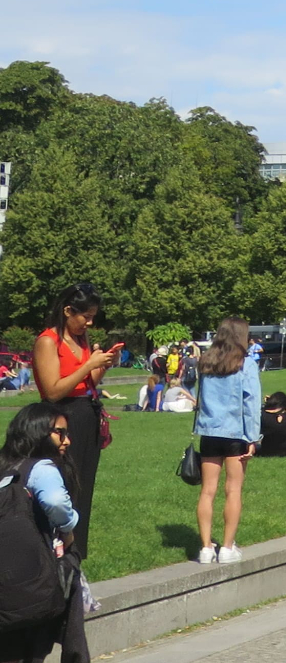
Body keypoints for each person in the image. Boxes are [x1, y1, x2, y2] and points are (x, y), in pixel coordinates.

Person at [31, 282, 117, 563]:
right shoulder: (48, 341)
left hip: (84, 417)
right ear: (68, 310)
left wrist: (101, 366)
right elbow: (53, 391)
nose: (89, 322)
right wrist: (88, 365)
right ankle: (51, 552)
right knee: (62, 487)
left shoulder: (81, 341)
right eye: (86, 316)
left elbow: (84, 384)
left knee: (82, 489)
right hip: (60, 420)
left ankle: (75, 554)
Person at [0, 401, 89, 663]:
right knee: (36, 645)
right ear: (38, 433)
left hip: (6, 578)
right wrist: (68, 527)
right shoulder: (41, 469)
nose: (67, 441)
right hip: (36, 575)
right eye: (59, 433)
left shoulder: (5, 464)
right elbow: (55, 502)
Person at [193, 318, 263, 563]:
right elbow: (251, 403)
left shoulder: (206, 362)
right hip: (236, 434)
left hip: (209, 432)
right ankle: (227, 547)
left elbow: (196, 397)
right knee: (233, 490)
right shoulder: (246, 365)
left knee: (207, 491)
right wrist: (253, 438)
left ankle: (205, 547)